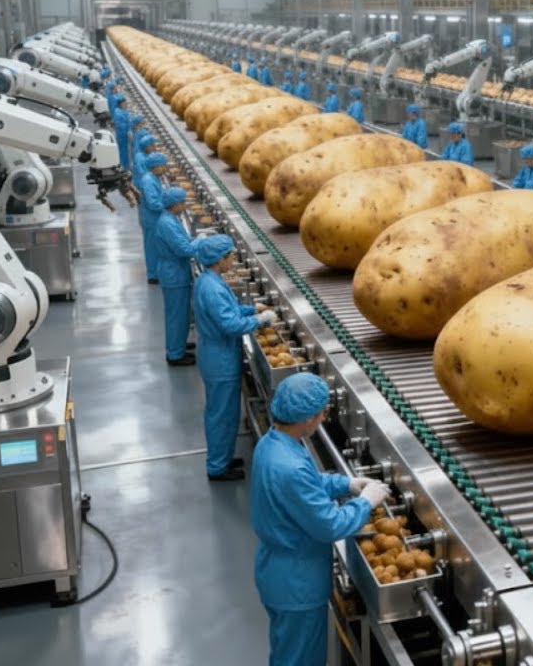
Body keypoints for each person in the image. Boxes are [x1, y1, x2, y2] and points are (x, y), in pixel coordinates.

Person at [251, 373, 391, 666]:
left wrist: (345, 485)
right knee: (300, 659)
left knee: (288, 651)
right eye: (321, 413)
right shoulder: (290, 466)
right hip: (297, 583)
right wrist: (365, 503)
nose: (323, 419)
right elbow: (331, 525)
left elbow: (306, 487)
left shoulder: (273, 444)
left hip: (276, 568)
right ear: (307, 419)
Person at [193, 235, 280, 481]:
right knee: (221, 414)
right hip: (219, 358)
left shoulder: (210, 280)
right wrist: (258, 321)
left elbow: (229, 311)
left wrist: (253, 309)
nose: (233, 259)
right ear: (219, 259)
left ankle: (222, 458)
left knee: (224, 412)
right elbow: (229, 324)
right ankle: (218, 467)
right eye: (230, 255)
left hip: (218, 352)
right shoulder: (212, 287)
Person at [152, 188, 199, 367]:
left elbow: (185, 240)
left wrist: (195, 240)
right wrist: (202, 245)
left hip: (176, 270)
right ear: (174, 204)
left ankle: (178, 343)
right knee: (177, 315)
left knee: (180, 313)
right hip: (174, 274)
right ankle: (175, 354)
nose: (184, 205)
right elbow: (183, 249)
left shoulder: (170, 219)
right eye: (182, 202)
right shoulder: (167, 224)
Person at [135, 148, 167, 285]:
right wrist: (168, 204)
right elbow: (153, 203)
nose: (165, 168)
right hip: (151, 219)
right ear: (156, 166)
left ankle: (155, 272)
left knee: (154, 246)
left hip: (153, 218)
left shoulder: (153, 178)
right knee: (152, 247)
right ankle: (153, 275)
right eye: (163, 165)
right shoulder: (148, 180)